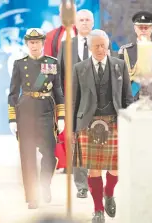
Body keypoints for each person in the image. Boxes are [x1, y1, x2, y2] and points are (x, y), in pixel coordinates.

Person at [72, 29, 133, 222]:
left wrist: (128, 121)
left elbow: (127, 97)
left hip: (114, 121)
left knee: (115, 168)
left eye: (103, 45)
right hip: (88, 123)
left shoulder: (119, 65)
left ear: (108, 45)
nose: (100, 49)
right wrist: (75, 127)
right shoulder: (79, 68)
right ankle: (98, 210)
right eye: (96, 46)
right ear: (89, 47)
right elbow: (75, 99)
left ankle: (109, 192)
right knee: (94, 168)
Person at [8, 28, 65, 209]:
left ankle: (44, 184)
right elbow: (13, 93)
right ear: (27, 44)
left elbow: (58, 91)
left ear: (42, 43)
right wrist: (12, 119)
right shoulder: (19, 64)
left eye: (37, 42)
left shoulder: (52, 63)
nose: (34, 45)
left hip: (46, 112)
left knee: (49, 154)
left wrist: (61, 116)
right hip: (25, 113)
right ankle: (32, 196)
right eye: (31, 42)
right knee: (27, 157)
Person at [57, 8, 95, 199]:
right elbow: (58, 75)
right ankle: (81, 185)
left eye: (88, 20)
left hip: (99, 103)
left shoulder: (102, 43)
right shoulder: (66, 46)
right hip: (74, 103)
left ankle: (96, 181)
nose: (85, 23)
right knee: (78, 144)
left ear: (93, 23)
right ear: (75, 23)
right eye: (81, 20)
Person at [118, 11, 152, 101]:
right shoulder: (125, 51)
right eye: (140, 27)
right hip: (133, 103)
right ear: (135, 28)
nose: (143, 30)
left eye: (146, 27)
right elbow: (121, 83)